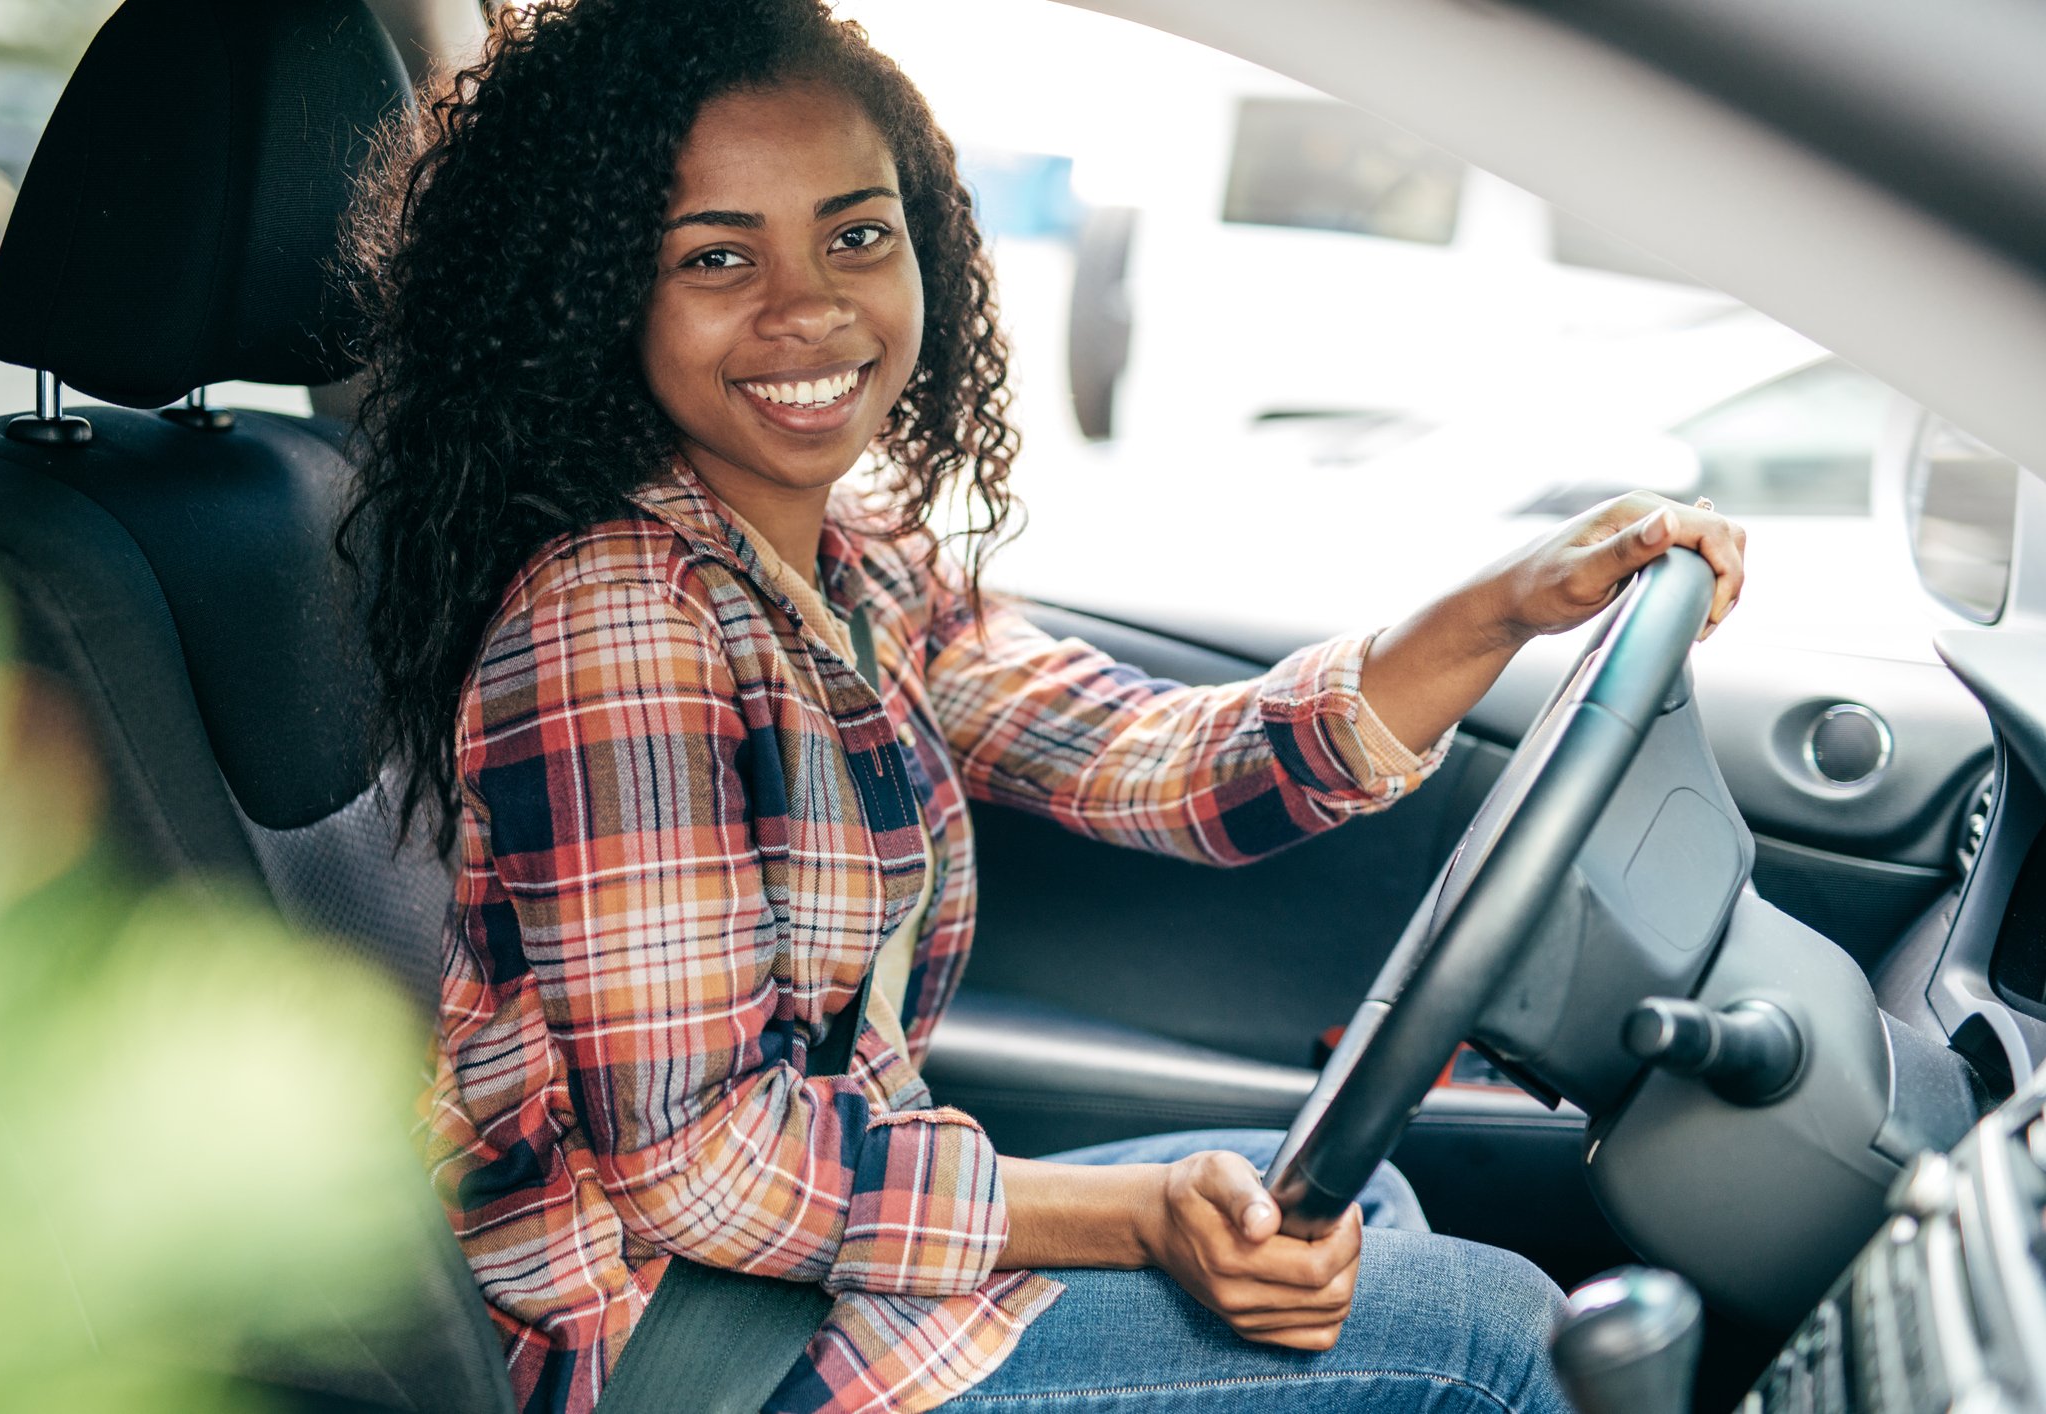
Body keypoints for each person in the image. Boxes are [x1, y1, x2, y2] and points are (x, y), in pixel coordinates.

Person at [339, 2, 1747, 1412]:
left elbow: (1165, 763)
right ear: (598, 295)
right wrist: (1138, 1218)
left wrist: (1502, 606)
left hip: (801, 1276)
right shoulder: (619, 619)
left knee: (1340, 1193)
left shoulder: (851, 562)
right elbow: (702, 1167)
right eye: (717, 256)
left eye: (855, 233)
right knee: (1491, 1339)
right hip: (677, 1353)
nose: (811, 305)